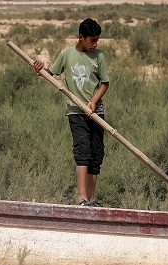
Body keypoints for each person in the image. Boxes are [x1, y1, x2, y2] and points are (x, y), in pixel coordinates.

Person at [33, 18, 109, 207]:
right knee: (82, 150)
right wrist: (40, 69)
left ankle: (91, 199)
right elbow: (51, 73)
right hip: (76, 112)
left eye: (97, 40)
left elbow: (105, 84)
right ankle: (82, 198)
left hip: (96, 112)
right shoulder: (67, 54)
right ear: (81, 37)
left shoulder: (99, 56)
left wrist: (93, 101)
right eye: (92, 40)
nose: (95, 44)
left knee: (96, 153)